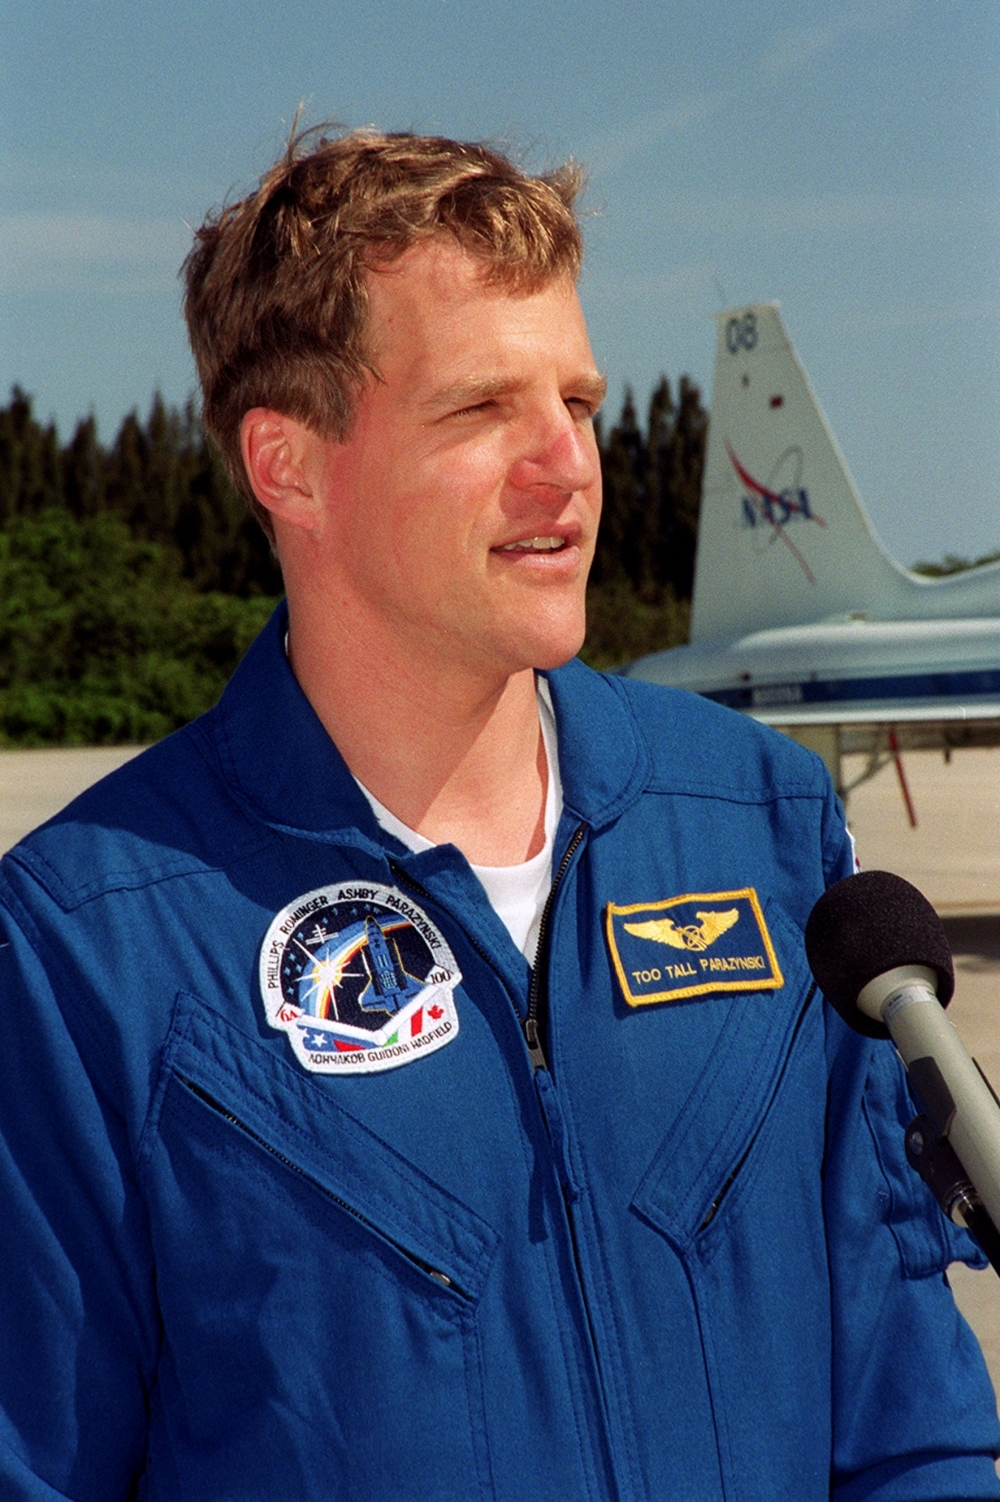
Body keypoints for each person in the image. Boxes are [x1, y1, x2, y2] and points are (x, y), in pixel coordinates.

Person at [0, 127, 997, 1502]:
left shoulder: (762, 828)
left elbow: (908, 1426)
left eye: (578, 402)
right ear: (288, 466)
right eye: (481, 409)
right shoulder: (86, 949)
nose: (567, 465)